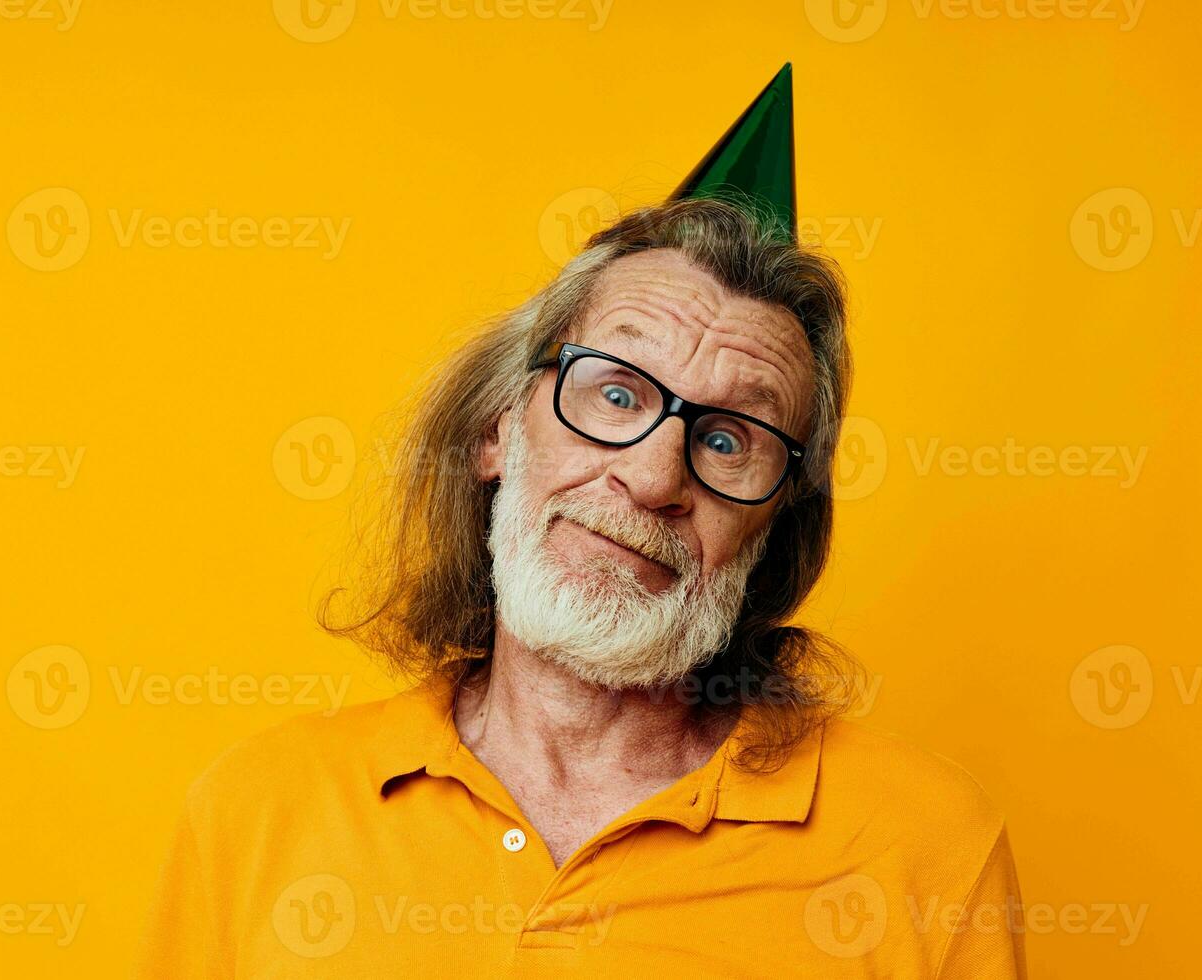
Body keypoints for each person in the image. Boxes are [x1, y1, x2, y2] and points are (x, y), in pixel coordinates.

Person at [136, 65, 1025, 978]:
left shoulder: (927, 854)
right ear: (496, 429)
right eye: (613, 391)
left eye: (729, 440)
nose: (650, 477)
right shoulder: (260, 811)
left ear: (775, 529)